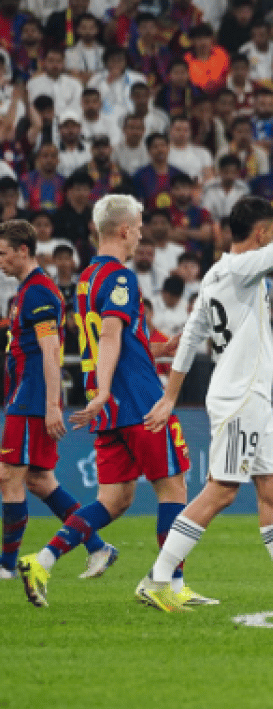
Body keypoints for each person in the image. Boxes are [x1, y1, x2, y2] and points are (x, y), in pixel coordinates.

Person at [135, 168, 273, 613]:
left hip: (250, 398)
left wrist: (171, 395)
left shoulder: (215, 274)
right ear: (260, 233)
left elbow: (191, 337)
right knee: (222, 490)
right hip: (240, 399)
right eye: (269, 232)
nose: (272, 239)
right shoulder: (244, 267)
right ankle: (157, 579)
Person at [17, 195, 206, 608]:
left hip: (111, 408)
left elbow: (119, 340)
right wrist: (104, 391)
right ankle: (169, 586)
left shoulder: (87, 279)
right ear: (124, 231)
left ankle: (42, 559)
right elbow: (109, 337)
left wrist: (160, 347)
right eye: (138, 226)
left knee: (115, 499)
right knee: (173, 486)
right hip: (138, 400)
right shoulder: (121, 278)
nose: (140, 233)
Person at [0, 220, 117, 582]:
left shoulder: (37, 293)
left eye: (3, 253)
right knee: (39, 480)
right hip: (29, 394)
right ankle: (98, 547)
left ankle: (5, 566)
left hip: (33, 398)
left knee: (9, 476)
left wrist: (52, 405)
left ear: (23, 250)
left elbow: (52, 351)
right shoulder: (30, 290)